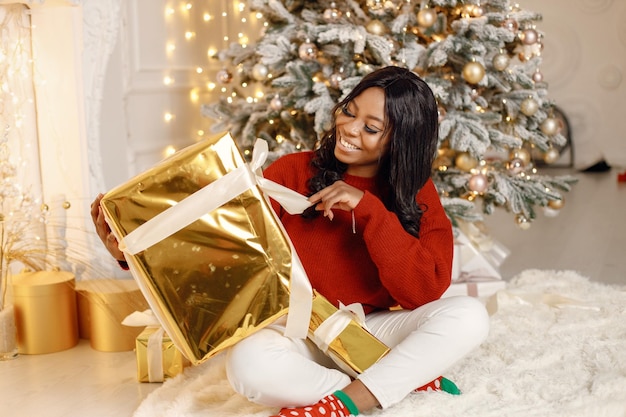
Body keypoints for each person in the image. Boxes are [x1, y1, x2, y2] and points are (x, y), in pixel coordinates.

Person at [91, 66, 489, 417]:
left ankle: (353, 399)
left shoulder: (416, 192)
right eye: (349, 112)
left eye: (370, 128)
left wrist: (370, 212)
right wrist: (131, 253)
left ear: (401, 141)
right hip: (294, 329)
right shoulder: (293, 170)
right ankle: (381, 389)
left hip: (369, 327)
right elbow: (220, 251)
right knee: (247, 367)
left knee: (469, 316)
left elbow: (424, 291)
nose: (349, 128)